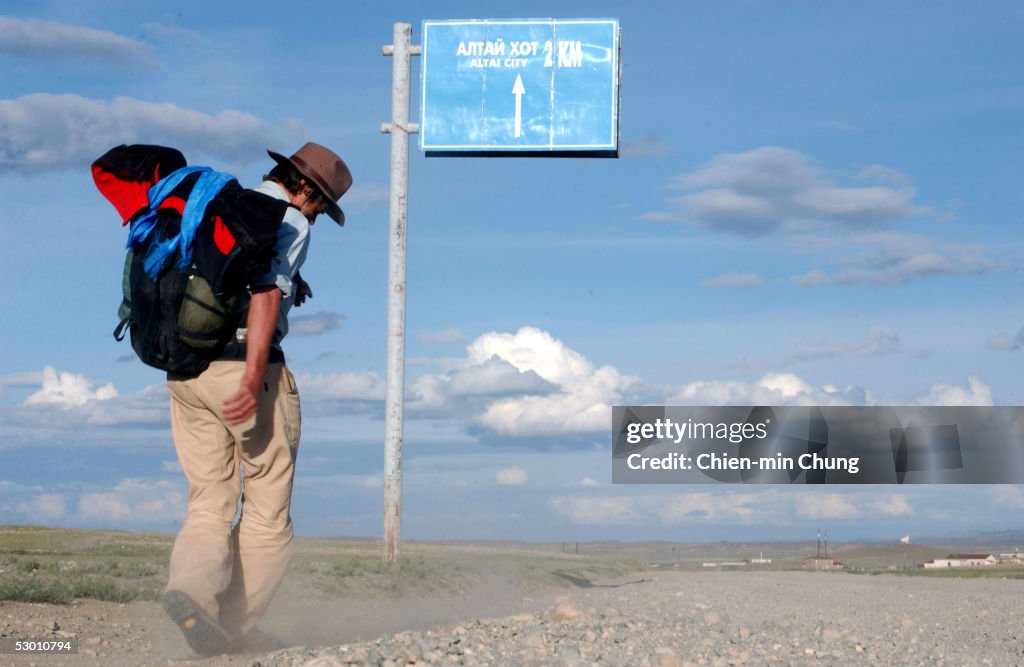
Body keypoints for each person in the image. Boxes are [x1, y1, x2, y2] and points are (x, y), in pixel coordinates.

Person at [161, 142, 352, 656]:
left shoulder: (221, 207)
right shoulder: (291, 220)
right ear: (305, 188)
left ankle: (190, 593)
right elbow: (266, 294)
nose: (315, 215)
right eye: (320, 204)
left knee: (209, 501)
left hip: (185, 370)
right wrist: (251, 377)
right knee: (267, 506)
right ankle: (237, 626)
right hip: (246, 372)